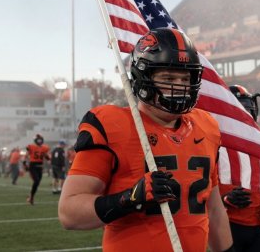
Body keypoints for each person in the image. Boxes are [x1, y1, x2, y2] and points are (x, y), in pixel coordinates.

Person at [58, 28, 233, 252]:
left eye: (185, 78)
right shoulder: (113, 125)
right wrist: (129, 199)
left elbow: (215, 211)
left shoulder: (206, 127)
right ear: (143, 78)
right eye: (168, 78)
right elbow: (69, 213)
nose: (179, 86)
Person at [219, 84, 260, 252]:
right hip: (226, 222)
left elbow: (256, 178)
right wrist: (223, 198)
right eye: (242, 110)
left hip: (255, 223)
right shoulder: (212, 135)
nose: (247, 114)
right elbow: (198, 183)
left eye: (249, 109)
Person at [25, 134, 50, 205]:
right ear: (35, 140)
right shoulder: (31, 147)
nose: (39, 141)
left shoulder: (45, 148)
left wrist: (49, 159)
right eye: (38, 140)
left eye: (40, 140)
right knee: (36, 181)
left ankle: (30, 196)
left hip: (40, 166)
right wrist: (25, 164)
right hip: (33, 165)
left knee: (37, 182)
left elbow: (46, 156)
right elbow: (27, 155)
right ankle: (31, 197)